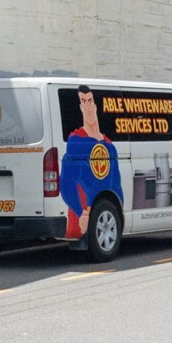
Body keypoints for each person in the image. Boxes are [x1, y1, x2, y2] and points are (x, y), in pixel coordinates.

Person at [59, 85, 123, 239]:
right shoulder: (75, 141)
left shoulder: (110, 147)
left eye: (90, 101)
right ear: (80, 107)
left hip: (101, 212)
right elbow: (66, 183)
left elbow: (116, 185)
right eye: (83, 102)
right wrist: (80, 212)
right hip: (80, 218)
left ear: (95, 106)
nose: (88, 106)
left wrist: (120, 214)